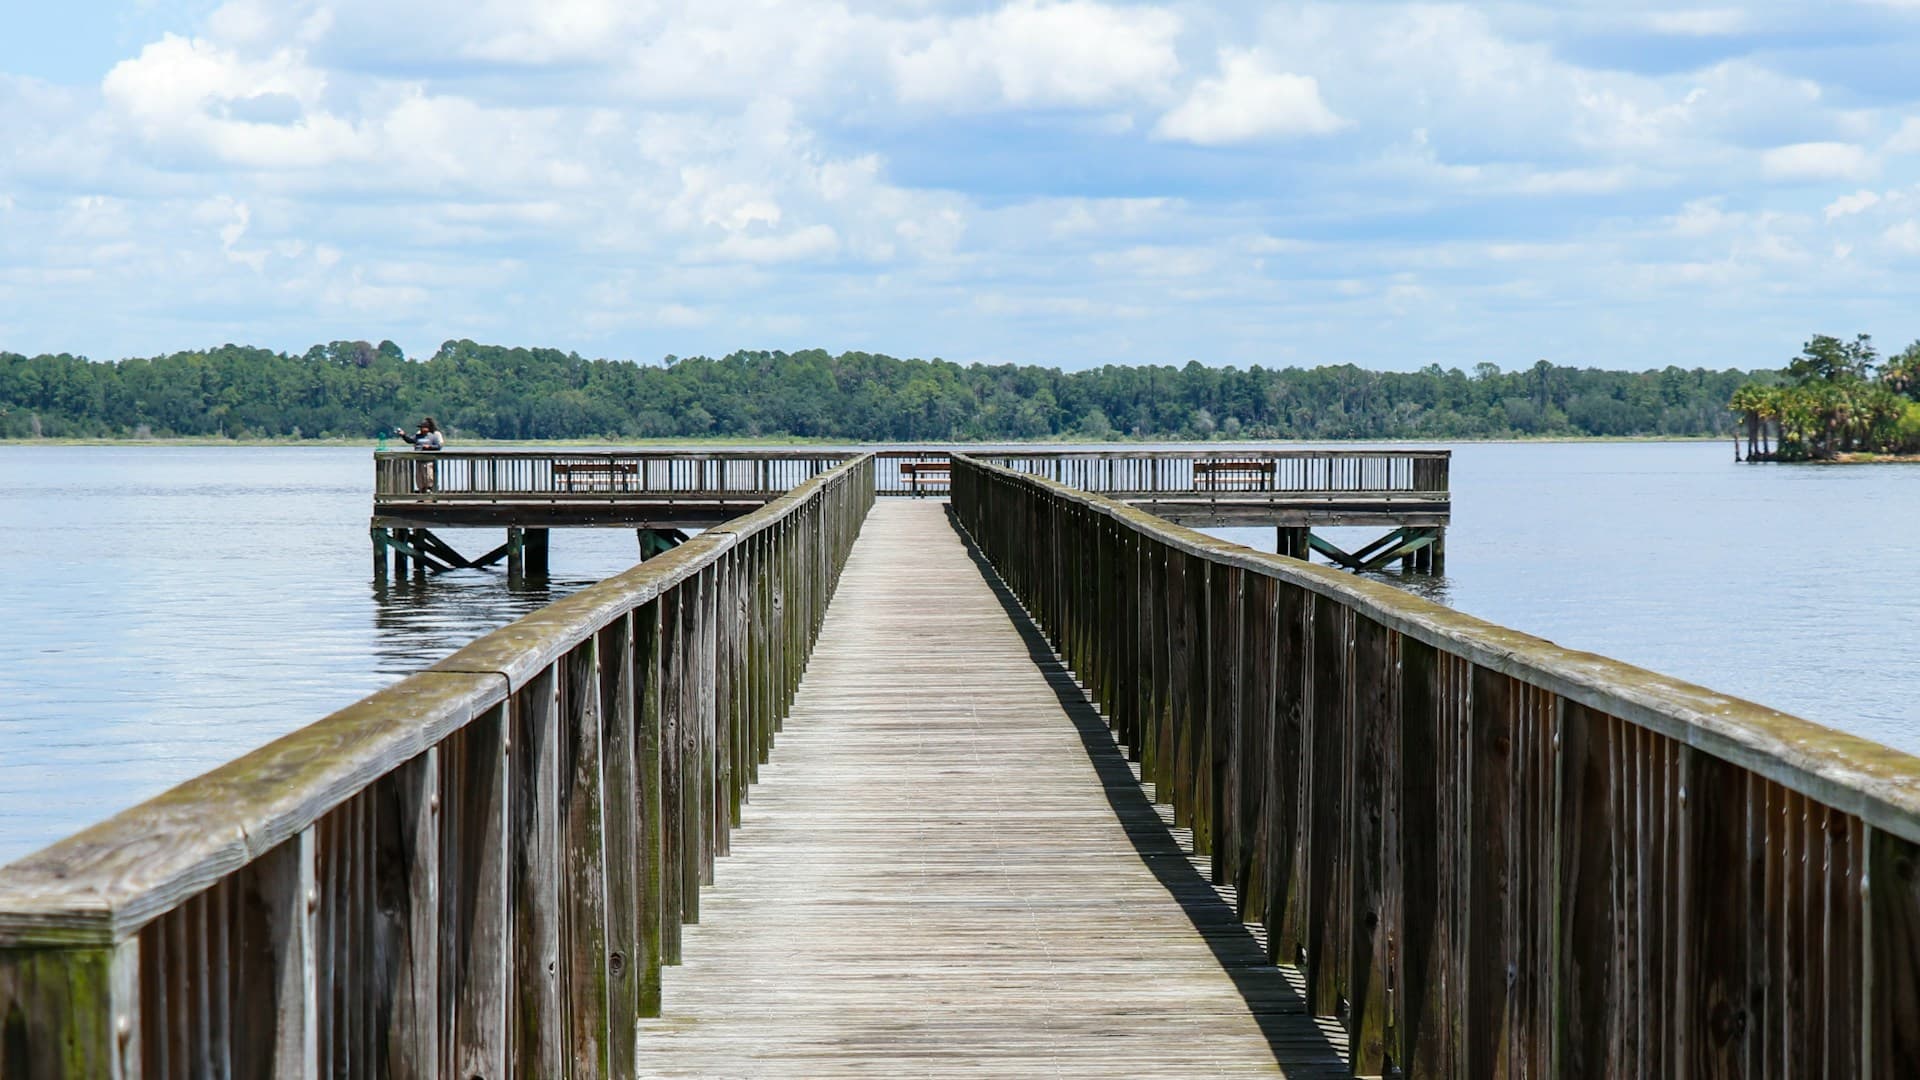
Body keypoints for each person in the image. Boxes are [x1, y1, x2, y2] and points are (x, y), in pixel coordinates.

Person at [394, 417, 444, 491]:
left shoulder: (433, 436)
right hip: (419, 461)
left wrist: (429, 447)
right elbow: (410, 440)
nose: (421, 429)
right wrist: (403, 435)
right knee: (420, 479)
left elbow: (438, 447)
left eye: (422, 427)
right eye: (420, 428)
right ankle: (422, 494)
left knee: (429, 478)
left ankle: (431, 493)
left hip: (429, 461)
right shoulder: (417, 436)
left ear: (427, 428)